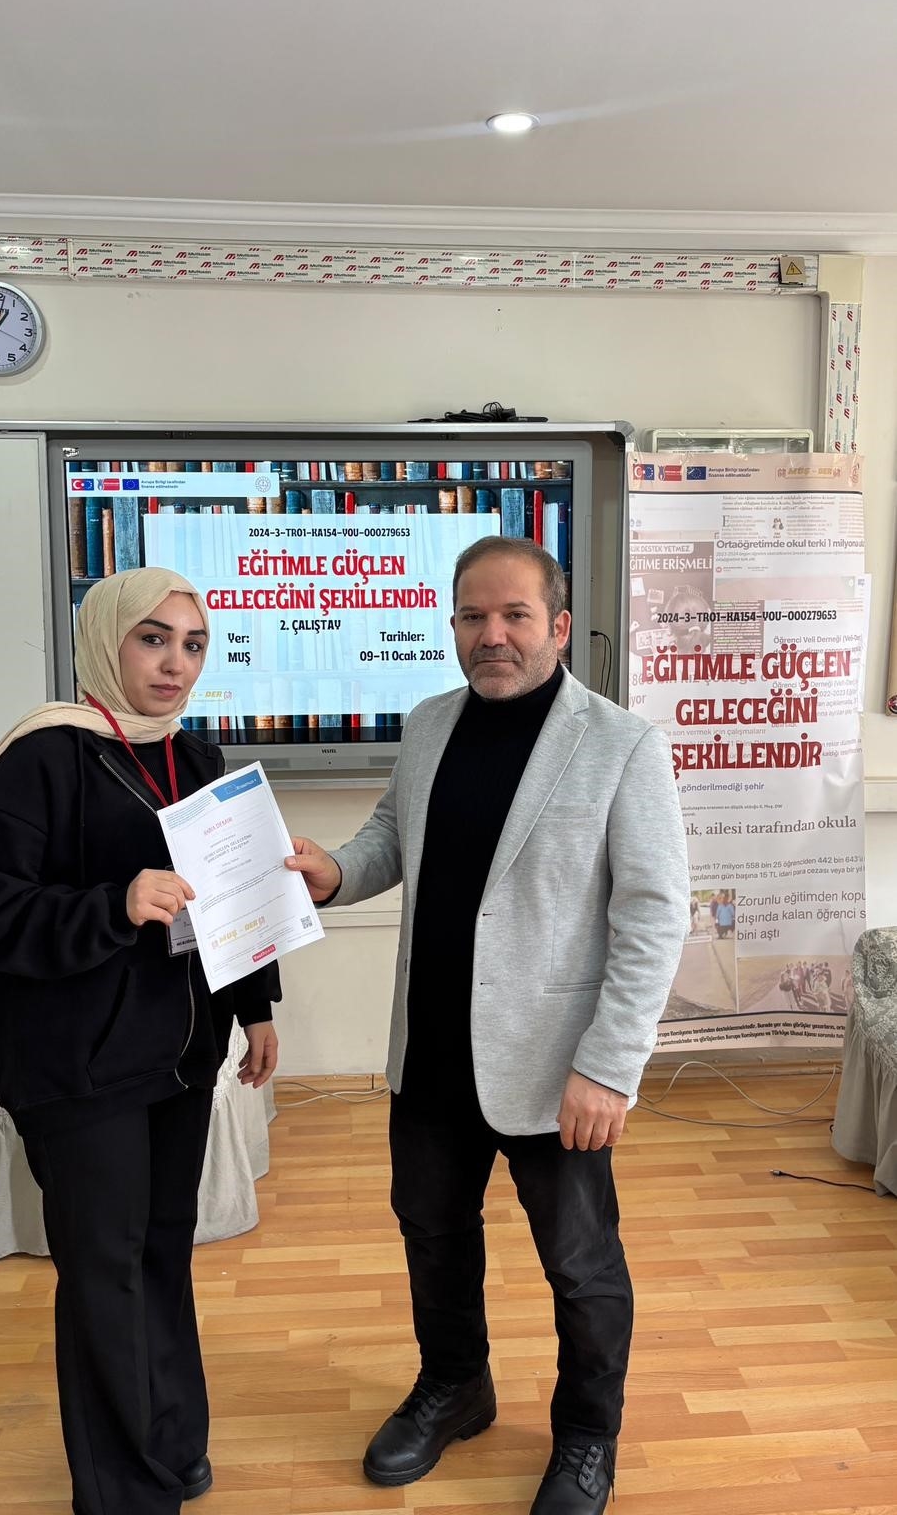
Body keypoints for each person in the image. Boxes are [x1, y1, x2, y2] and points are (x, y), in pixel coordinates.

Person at [285, 537, 689, 1515]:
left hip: (556, 1069)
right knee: (431, 1231)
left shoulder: (622, 744)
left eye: (514, 615)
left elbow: (653, 914)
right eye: (473, 616)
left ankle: (587, 1435)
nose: (491, 634)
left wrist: (610, 1065)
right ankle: (456, 1384)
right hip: (429, 1051)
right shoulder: (429, 723)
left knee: (581, 1267)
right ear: (454, 625)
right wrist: (335, 871)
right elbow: (393, 836)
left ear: (559, 626)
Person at [0, 568, 281, 1515]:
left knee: (161, 1251)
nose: (176, 663)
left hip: (180, 1057)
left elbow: (236, 901)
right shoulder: (41, 757)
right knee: (103, 1272)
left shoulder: (195, 756)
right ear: (104, 641)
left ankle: (171, 1446)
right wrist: (112, 906)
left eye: (193, 644)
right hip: (79, 1069)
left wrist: (258, 1006)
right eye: (153, 639)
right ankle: (121, 1490)